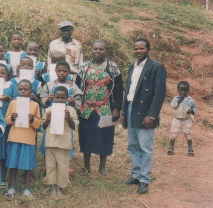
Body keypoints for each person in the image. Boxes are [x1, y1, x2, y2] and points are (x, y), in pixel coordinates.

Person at [123, 38, 166, 194]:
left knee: (145, 147)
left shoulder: (156, 67)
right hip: (130, 108)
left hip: (146, 112)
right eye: (136, 48)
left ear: (148, 50)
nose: (138, 51)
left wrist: (152, 115)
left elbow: (159, 94)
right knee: (133, 145)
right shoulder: (132, 67)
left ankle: (144, 179)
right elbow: (128, 91)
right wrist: (123, 112)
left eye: (142, 48)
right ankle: (136, 175)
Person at [76, 40, 123, 175]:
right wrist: (78, 106)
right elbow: (78, 88)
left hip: (105, 108)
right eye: (95, 49)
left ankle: (102, 166)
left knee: (105, 136)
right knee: (85, 135)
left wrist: (117, 108)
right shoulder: (84, 67)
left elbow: (119, 89)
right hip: (86, 109)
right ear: (91, 50)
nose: (98, 51)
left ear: (105, 51)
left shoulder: (113, 67)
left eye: (101, 49)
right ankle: (86, 165)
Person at [4, 80, 41, 199]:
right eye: (21, 89)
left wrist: (32, 120)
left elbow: (38, 124)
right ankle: (11, 188)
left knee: (27, 165)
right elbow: (6, 120)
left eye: (26, 89)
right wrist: (12, 118)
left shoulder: (35, 105)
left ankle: (27, 188)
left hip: (28, 139)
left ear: (31, 91)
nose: (23, 91)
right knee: (13, 164)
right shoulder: (13, 103)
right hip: (14, 138)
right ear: (17, 90)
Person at [43, 86, 77, 199]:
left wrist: (69, 118)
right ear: (53, 97)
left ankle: (60, 188)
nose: (59, 100)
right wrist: (48, 119)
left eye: (63, 98)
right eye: (57, 97)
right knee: (51, 166)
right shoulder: (49, 110)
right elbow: (43, 126)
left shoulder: (71, 110)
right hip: (50, 142)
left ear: (67, 98)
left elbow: (74, 127)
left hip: (63, 143)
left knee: (63, 167)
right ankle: (52, 188)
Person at [167, 81, 196, 156]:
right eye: (181, 90)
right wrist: (179, 100)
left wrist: (192, 111)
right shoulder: (175, 98)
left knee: (188, 134)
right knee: (173, 133)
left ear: (188, 90)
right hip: (176, 119)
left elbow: (194, 108)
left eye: (185, 90)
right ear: (177, 90)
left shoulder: (190, 100)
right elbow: (173, 106)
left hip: (186, 119)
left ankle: (190, 149)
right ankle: (171, 147)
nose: (183, 92)